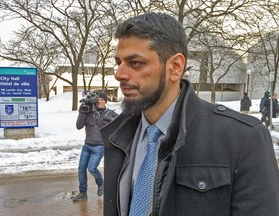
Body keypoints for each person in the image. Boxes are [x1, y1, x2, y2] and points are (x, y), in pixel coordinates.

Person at [100, 12, 279, 216]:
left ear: (175, 67)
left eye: (135, 63)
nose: (119, 74)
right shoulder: (118, 137)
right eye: (118, 62)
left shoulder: (243, 138)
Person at [72, 92, 118, 202]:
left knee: (91, 168)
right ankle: (83, 193)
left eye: (102, 99)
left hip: (99, 146)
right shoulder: (88, 112)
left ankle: (101, 183)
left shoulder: (110, 114)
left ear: (106, 102)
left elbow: (119, 125)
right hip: (87, 145)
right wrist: (82, 112)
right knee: (81, 169)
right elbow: (79, 126)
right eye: (98, 99)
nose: (99, 101)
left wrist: (109, 122)